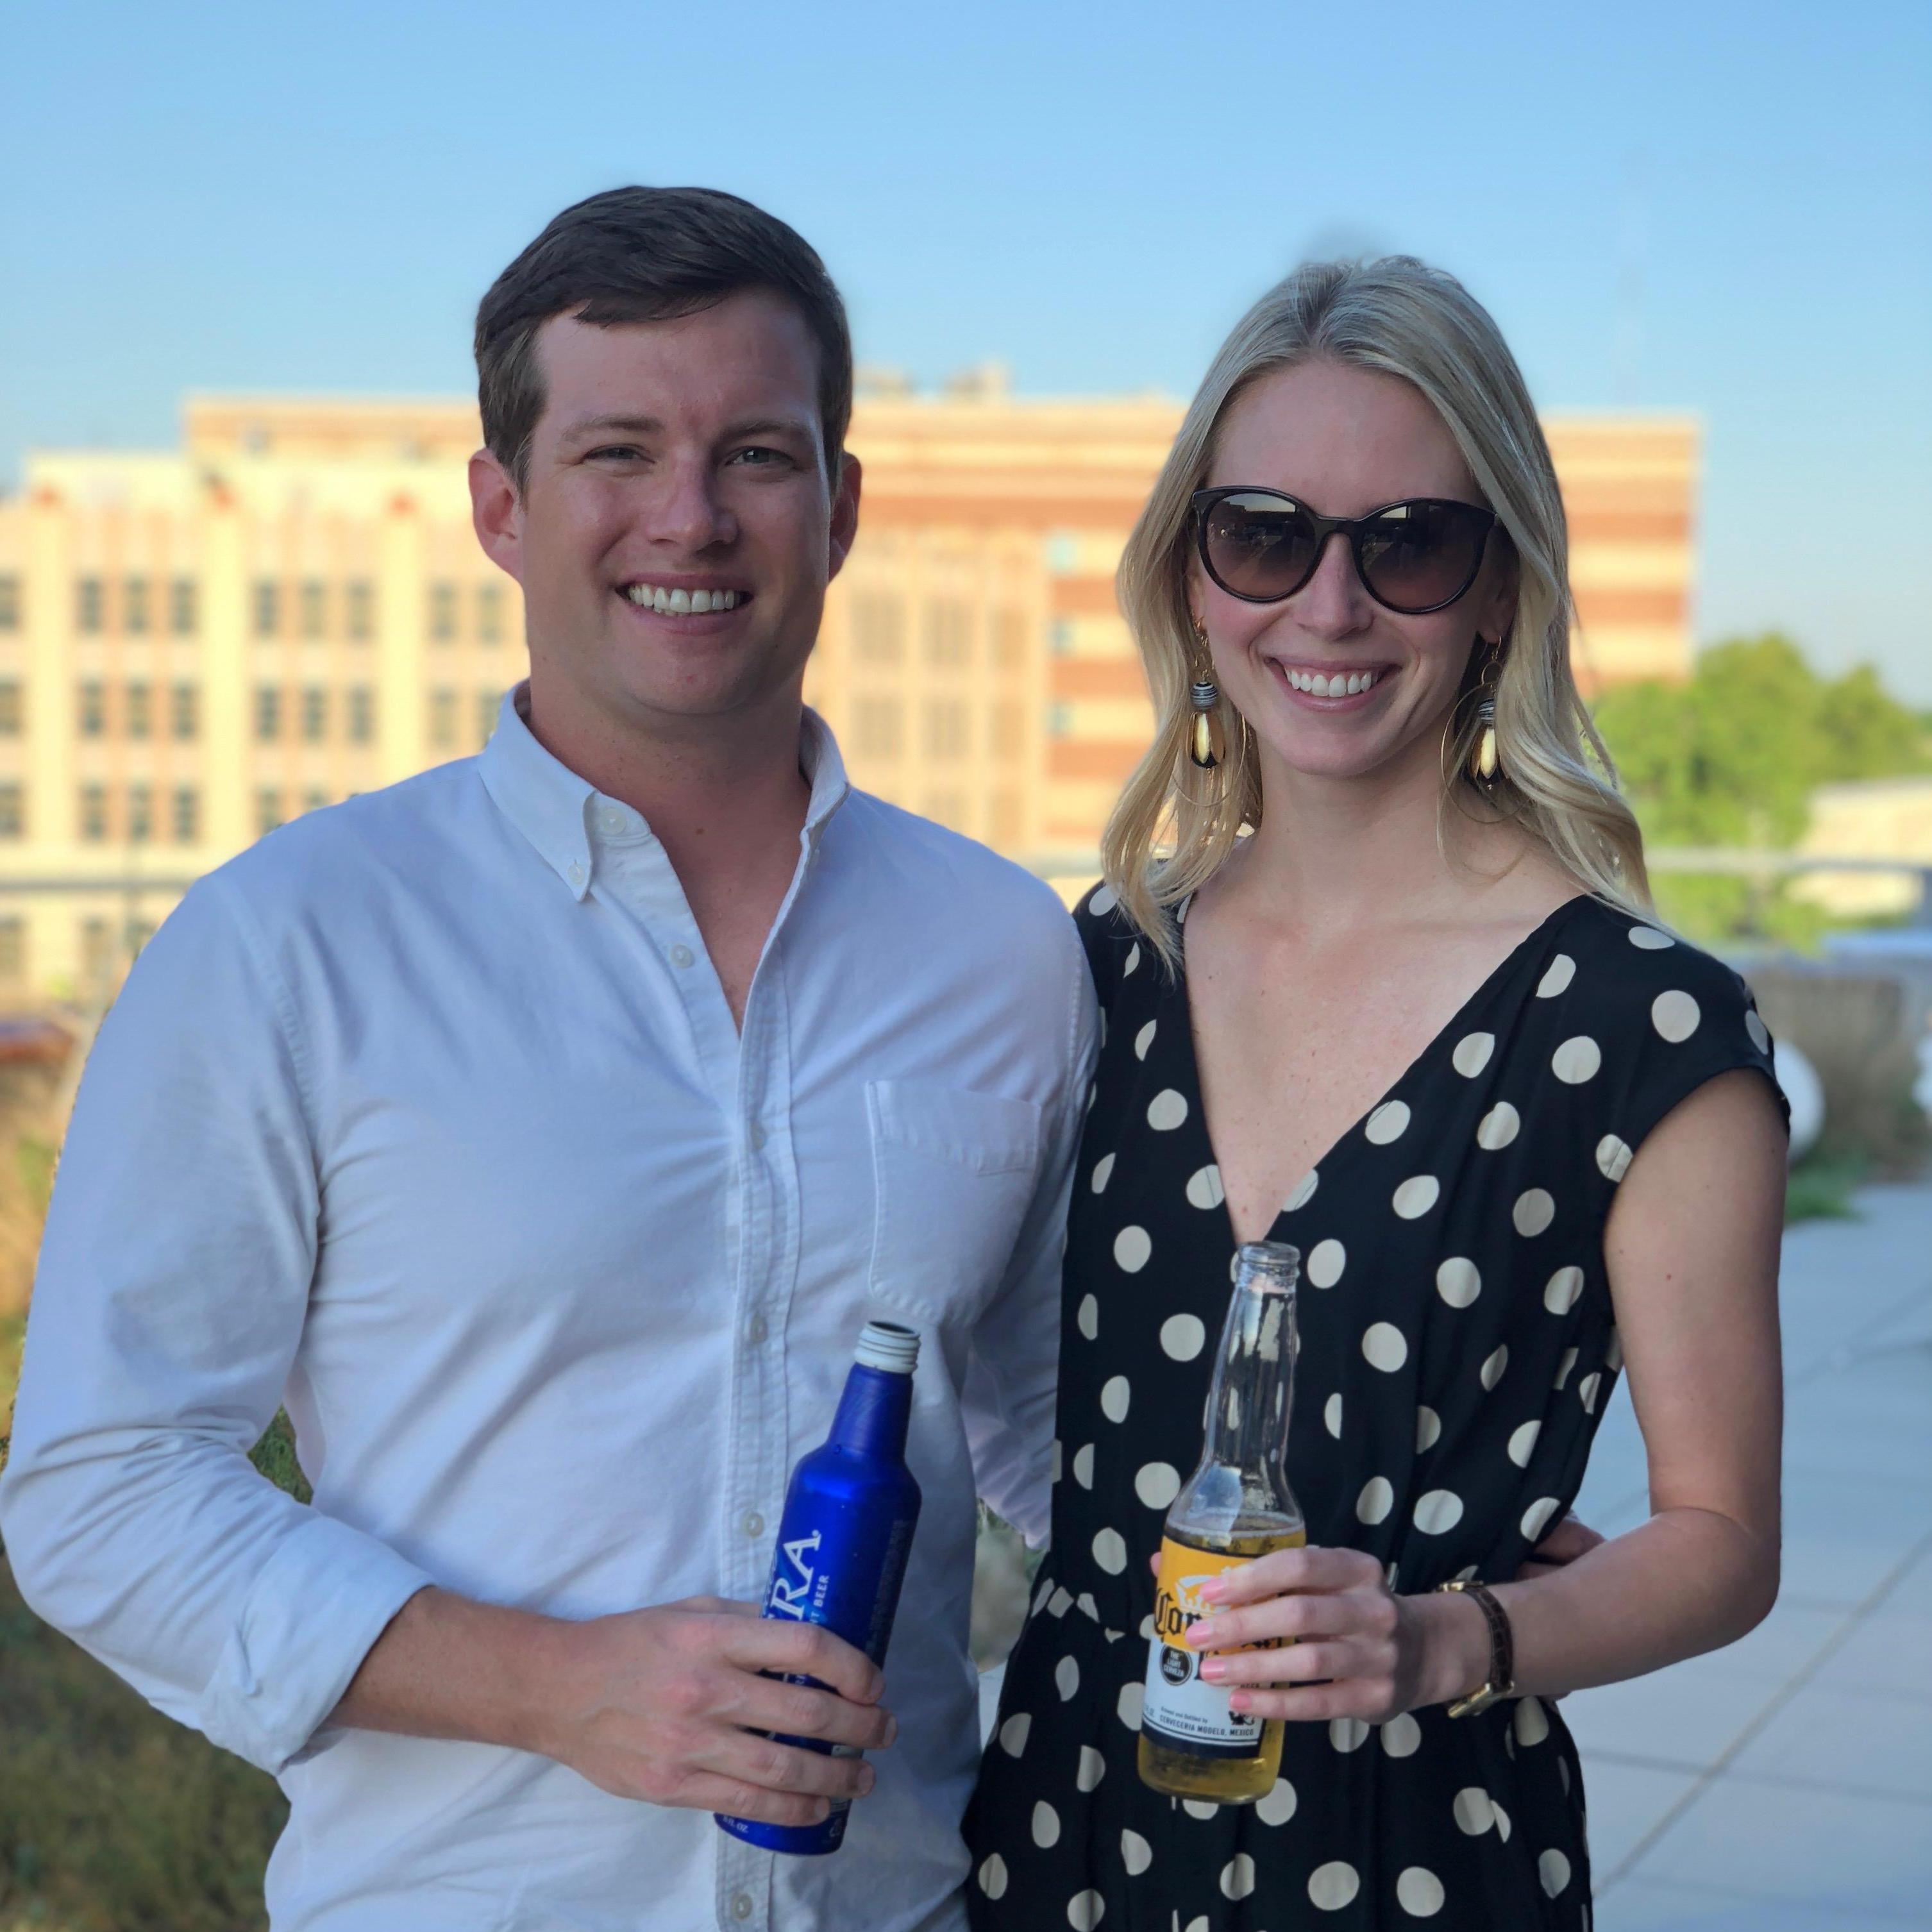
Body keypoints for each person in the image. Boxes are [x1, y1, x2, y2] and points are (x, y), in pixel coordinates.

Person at [0, 187, 1097, 1932]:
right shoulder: (290, 944)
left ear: (840, 506)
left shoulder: (1004, 948)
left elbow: (1056, 1431)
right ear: (501, 508)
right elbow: (99, 1484)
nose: (691, 516)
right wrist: (551, 1687)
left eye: (755, 454)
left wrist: (1432, 1573)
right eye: (617, 452)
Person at [965, 257, 1788, 1929]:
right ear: (1193, 577)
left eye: (1409, 544)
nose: (1330, 607)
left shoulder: (1645, 1028)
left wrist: (1446, 1639)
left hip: (1420, 1854)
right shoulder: (1099, 967)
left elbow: (1721, 1540)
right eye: (1264, 536)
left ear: (1501, 590)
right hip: (1065, 1830)